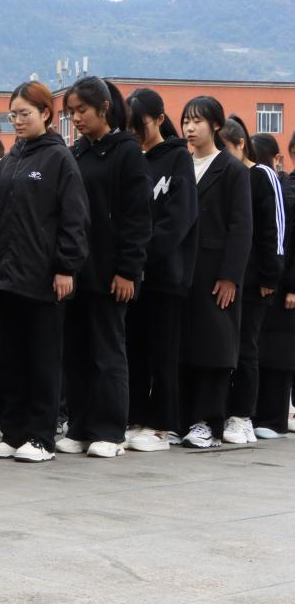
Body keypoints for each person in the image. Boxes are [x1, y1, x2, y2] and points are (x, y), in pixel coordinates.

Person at [0, 81, 89, 463]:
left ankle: (41, 437)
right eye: (12, 114)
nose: (17, 121)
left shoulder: (59, 159)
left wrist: (65, 267)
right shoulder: (12, 158)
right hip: (5, 276)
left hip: (44, 278)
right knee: (11, 359)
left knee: (42, 360)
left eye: (24, 113)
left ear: (46, 114)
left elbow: (74, 218)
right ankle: (13, 432)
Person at [58, 77, 152, 458]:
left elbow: (138, 217)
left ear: (104, 108)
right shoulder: (77, 152)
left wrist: (128, 269)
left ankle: (110, 431)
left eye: (82, 110)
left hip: (111, 273)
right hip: (77, 270)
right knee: (77, 353)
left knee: (107, 353)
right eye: (71, 113)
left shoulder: (127, 152)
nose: (76, 118)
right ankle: (80, 427)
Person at [121, 88, 198, 452]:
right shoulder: (133, 159)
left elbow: (177, 219)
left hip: (166, 274)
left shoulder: (178, 158)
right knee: (135, 349)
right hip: (135, 274)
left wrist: (144, 257)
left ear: (159, 119)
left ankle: (162, 425)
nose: (135, 133)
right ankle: (136, 417)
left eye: (141, 125)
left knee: (163, 353)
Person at [179, 96, 252, 448]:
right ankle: (184, 420)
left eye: (198, 121)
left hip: (215, 273)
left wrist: (230, 276)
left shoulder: (233, 170)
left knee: (215, 349)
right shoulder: (181, 165)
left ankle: (209, 422)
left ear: (216, 125)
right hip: (183, 271)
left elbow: (241, 227)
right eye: (186, 121)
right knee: (185, 347)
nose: (190, 128)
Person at [220, 115, 283, 444]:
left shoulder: (262, 175)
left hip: (256, 278)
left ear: (241, 144)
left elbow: (275, 229)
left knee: (247, 347)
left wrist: (271, 274)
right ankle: (222, 412)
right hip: (225, 277)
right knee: (225, 348)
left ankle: (243, 415)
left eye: (226, 148)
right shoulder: (224, 175)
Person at [253, 133, 295, 439]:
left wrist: (293, 284)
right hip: (271, 279)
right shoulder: (282, 185)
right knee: (264, 349)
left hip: (287, 284)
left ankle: (276, 417)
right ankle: (260, 414)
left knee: (281, 352)